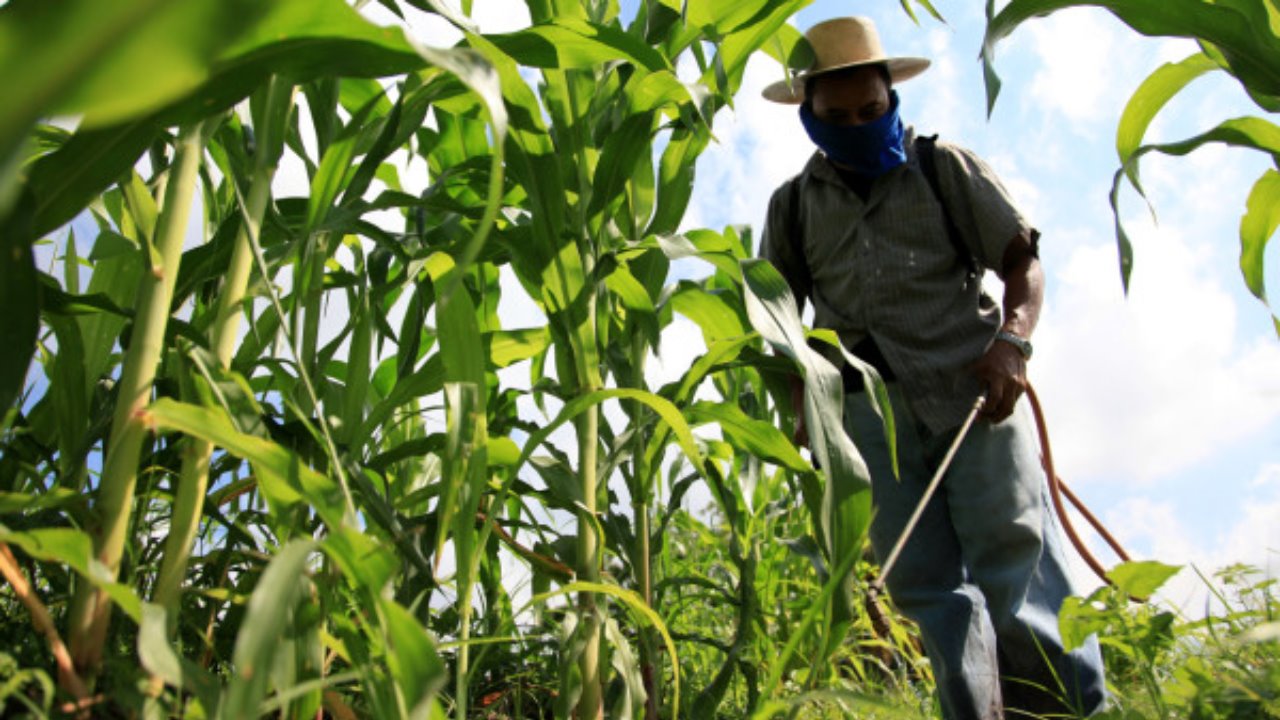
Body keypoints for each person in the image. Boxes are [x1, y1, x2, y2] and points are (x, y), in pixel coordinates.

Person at [758, 16, 1107, 720]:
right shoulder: (793, 207)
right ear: (809, 115)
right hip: (866, 421)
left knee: (1015, 561)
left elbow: (1022, 261)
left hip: (978, 393)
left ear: (892, 96)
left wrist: (1014, 341)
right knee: (925, 591)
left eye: (871, 110)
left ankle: (1071, 711)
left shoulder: (946, 167)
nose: (858, 124)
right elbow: (775, 320)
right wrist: (798, 410)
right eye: (838, 116)